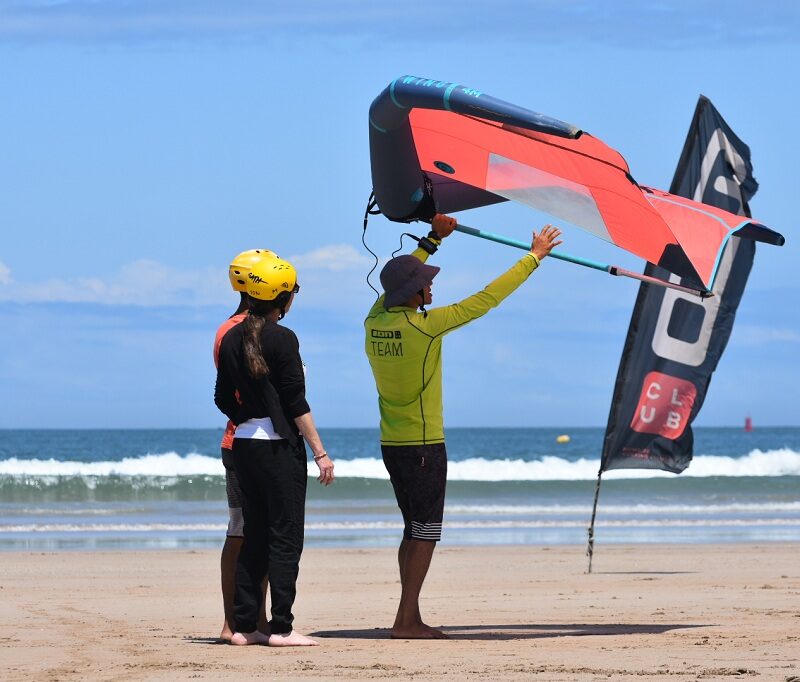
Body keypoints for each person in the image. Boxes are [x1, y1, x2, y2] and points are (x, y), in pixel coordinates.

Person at [364, 214, 562, 639]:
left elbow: (396, 281)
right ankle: (406, 621)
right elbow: (486, 299)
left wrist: (433, 239)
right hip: (423, 446)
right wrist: (534, 258)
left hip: (391, 443)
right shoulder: (426, 328)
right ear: (412, 292)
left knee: (412, 529)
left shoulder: (374, 321)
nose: (430, 286)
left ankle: (407, 616)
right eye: (425, 282)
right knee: (426, 533)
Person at [215, 254, 335, 647]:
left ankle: (245, 627)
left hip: (245, 445)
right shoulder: (283, 338)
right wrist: (320, 452)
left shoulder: (232, 337)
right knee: (286, 537)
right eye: (292, 291)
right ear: (280, 296)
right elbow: (296, 403)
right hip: (279, 448)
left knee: (254, 536)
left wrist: (248, 415)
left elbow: (221, 398)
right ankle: (282, 627)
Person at [213, 248, 275, 642]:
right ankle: (237, 620)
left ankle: (250, 618)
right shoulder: (237, 331)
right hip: (246, 442)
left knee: (252, 532)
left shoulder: (231, 328)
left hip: (243, 440)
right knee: (244, 532)